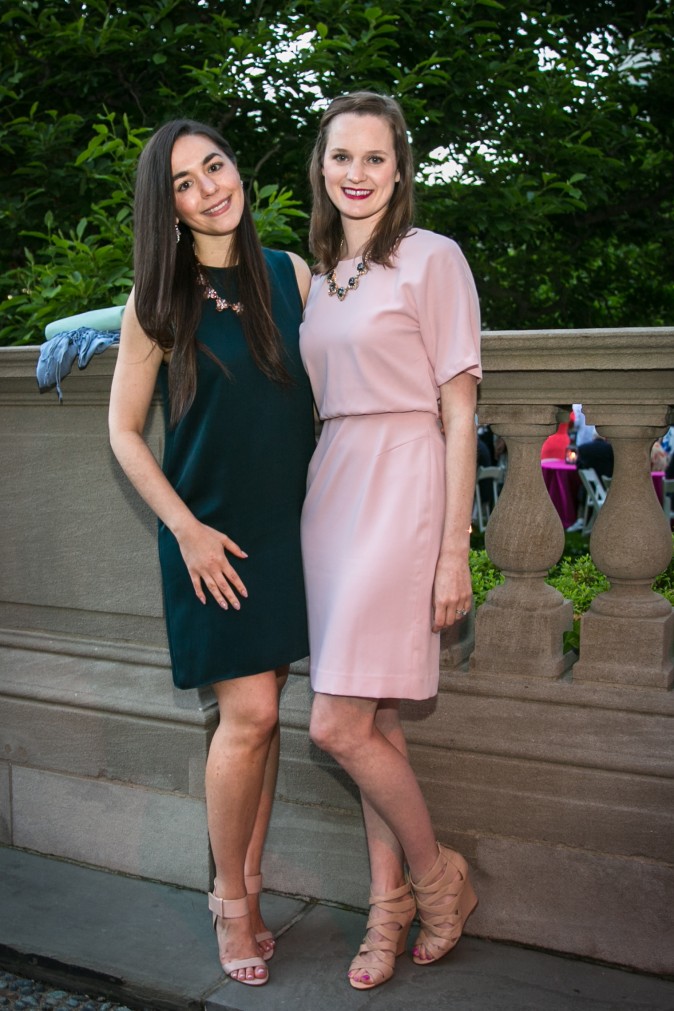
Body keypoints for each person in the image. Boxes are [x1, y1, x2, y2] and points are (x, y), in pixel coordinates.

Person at [108, 119, 315, 988]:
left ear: (237, 171)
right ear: (170, 208)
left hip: (289, 529)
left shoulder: (289, 274)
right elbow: (123, 431)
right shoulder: (155, 302)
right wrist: (185, 529)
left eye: (215, 167)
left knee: (264, 715)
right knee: (254, 718)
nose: (208, 188)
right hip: (211, 537)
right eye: (184, 183)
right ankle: (230, 897)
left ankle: (249, 886)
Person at [299, 92, 482, 991]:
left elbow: (459, 407)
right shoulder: (322, 271)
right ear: (321, 168)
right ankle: (389, 910)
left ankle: (438, 877)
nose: (358, 174)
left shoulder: (431, 258)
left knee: (333, 722)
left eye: (376, 158)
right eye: (343, 157)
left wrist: (455, 549)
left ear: (400, 169)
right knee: (370, 724)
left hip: (404, 478)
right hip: (331, 487)